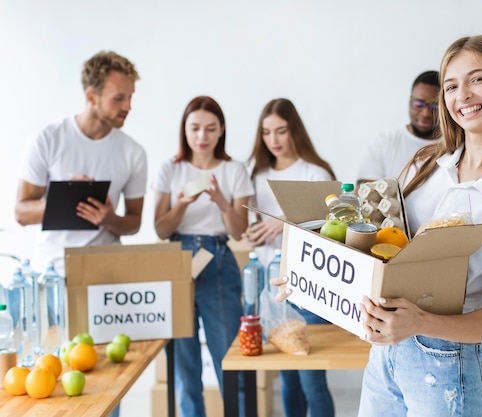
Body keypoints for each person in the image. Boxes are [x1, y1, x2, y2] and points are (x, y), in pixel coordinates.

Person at [273, 35, 482, 416]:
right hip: (384, 356)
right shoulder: (425, 165)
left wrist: (420, 321)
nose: (463, 95)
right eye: (451, 86)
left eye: (477, 79)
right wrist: (309, 275)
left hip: (447, 367)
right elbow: (375, 251)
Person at [15, 51, 145, 417]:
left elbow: (133, 221)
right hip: (50, 279)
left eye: (131, 97)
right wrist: (61, 194)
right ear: (91, 96)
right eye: (119, 98)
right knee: (47, 382)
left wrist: (108, 218)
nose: (128, 106)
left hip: (104, 278)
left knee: (105, 381)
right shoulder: (49, 139)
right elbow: (20, 211)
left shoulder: (132, 152)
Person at [152, 96, 254, 417]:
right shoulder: (171, 168)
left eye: (210, 128)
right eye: (195, 128)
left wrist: (222, 202)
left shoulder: (234, 170)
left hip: (218, 258)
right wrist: (182, 202)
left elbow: (239, 232)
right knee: (184, 362)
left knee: (228, 355)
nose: (202, 136)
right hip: (178, 258)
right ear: (184, 129)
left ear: (221, 130)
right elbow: (161, 229)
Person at [245, 98, 336, 417]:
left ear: (294, 130)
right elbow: (252, 224)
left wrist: (282, 220)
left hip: (309, 285)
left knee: (312, 377)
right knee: (287, 375)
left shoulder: (315, 171)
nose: (274, 140)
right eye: (267, 132)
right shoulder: (256, 174)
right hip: (272, 284)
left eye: (281, 131)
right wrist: (253, 233)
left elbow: (332, 228)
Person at [356, 70, 440, 186]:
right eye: (419, 105)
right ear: (410, 101)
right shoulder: (384, 142)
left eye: (435, 106)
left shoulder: (457, 146)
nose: (426, 113)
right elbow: (364, 190)